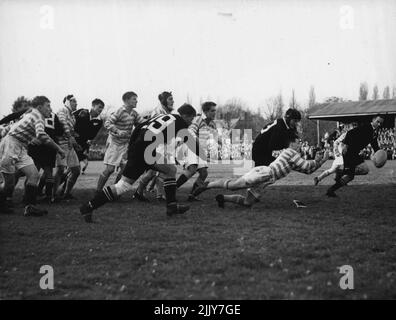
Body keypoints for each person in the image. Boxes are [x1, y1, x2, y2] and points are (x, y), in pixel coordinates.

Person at [79, 103, 198, 223]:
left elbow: (139, 127)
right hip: (146, 151)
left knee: (123, 186)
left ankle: (88, 206)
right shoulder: (180, 122)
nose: (191, 122)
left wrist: (131, 150)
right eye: (191, 118)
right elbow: (186, 139)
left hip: (139, 149)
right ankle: (171, 206)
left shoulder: (162, 117)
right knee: (170, 170)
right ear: (184, 115)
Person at [192, 134, 329, 208]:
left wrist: (321, 161)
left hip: (267, 179)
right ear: (291, 143)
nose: (300, 145)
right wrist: (318, 160)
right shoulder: (291, 152)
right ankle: (207, 185)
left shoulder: (293, 157)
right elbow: (306, 166)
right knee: (234, 186)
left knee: (247, 203)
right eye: (298, 142)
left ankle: (223, 198)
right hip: (265, 174)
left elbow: (308, 172)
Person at [0, 96, 65, 215]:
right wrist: (59, 149)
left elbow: (15, 126)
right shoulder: (38, 117)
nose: (50, 109)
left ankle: (29, 207)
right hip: (11, 145)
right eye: (48, 106)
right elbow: (41, 134)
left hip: (20, 146)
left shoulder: (32, 113)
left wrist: (29, 139)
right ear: (40, 107)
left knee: (34, 175)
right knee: (8, 184)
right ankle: (3, 203)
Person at [326, 115, 384, 197]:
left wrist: (379, 154)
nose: (379, 124)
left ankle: (335, 183)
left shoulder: (375, 131)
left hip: (354, 153)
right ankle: (339, 175)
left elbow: (374, 143)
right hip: (349, 151)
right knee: (354, 174)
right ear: (373, 120)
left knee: (356, 173)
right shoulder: (366, 127)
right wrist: (346, 145)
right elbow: (350, 133)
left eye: (381, 123)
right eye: (377, 122)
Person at [96, 92, 142, 193]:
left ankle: (113, 192)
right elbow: (108, 123)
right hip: (115, 143)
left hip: (125, 144)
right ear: (127, 100)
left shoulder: (134, 113)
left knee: (125, 170)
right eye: (134, 99)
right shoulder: (119, 111)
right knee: (110, 169)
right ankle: (98, 192)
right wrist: (118, 131)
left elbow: (141, 124)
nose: (136, 101)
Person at [133, 91, 175, 201]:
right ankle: (158, 194)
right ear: (163, 100)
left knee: (154, 171)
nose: (173, 101)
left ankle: (140, 192)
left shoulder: (165, 111)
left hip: (162, 144)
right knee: (161, 170)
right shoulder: (159, 112)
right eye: (170, 99)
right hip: (157, 145)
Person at [176, 101, 218, 201]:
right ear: (206, 111)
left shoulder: (212, 124)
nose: (214, 113)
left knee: (204, 173)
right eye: (212, 110)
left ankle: (192, 196)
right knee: (192, 169)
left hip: (198, 149)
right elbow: (190, 132)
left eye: (215, 110)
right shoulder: (198, 119)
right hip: (189, 145)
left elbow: (212, 138)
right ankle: (172, 189)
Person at [28, 111, 64, 203]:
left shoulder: (33, 113)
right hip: (49, 145)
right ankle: (48, 197)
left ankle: (28, 197)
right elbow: (60, 131)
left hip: (38, 143)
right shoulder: (53, 114)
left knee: (34, 171)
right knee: (49, 172)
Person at [53, 94, 81, 200]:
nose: (76, 103)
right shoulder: (62, 110)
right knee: (60, 170)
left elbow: (71, 131)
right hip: (60, 144)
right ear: (67, 102)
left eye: (76, 101)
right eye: (73, 101)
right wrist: (70, 137)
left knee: (76, 170)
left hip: (69, 145)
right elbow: (63, 123)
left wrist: (75, 143)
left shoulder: (73, 116)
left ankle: (66, 193)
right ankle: (53, 195)